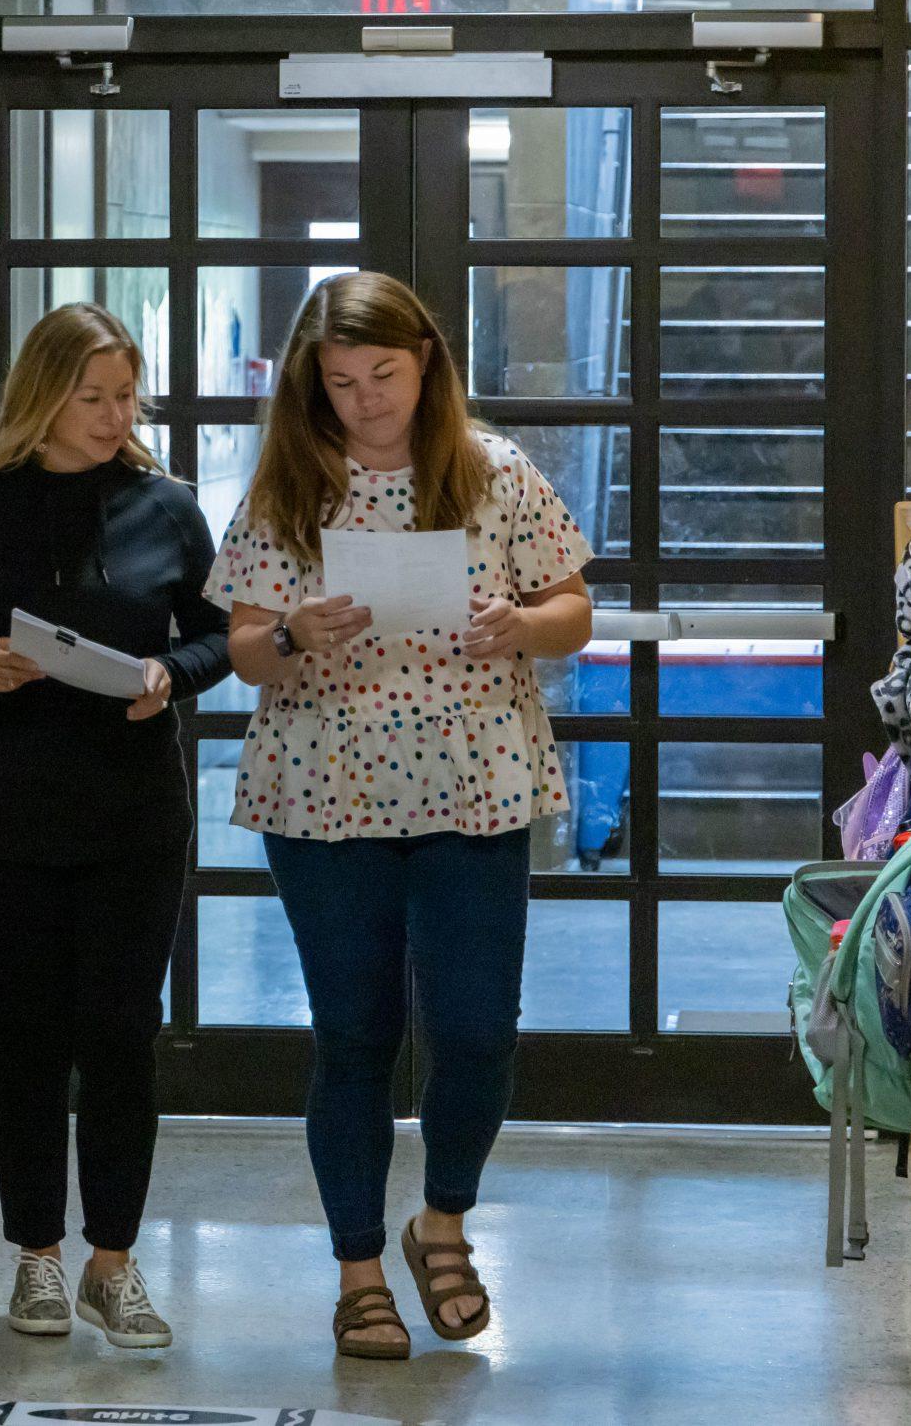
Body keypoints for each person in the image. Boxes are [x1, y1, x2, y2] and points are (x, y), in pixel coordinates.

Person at [207, 271, 594, 1360]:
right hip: (326, 791)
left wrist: (520, 624)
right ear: (311, 388)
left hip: (474, 783)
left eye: (384, 374)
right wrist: (293, 635)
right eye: (341, 383)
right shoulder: (289, 490)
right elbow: (242, 642)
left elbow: (572, 606)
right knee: (355, 1036)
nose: (367, 399)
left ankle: (443, 1221)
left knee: (474, 1030)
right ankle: (358, 1270)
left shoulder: (491, 471)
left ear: (426, 364)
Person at [0, 302, 233, 1350]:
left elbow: (219, 637)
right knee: (28, 1042)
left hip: (132, 814)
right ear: (43, 395)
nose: (112, 413)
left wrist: (165, 677)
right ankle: (36, 1257)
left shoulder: (166, 507)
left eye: (126, 394)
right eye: (92, 396)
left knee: (122, 1041)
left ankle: (113, 1263)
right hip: (9, 817)